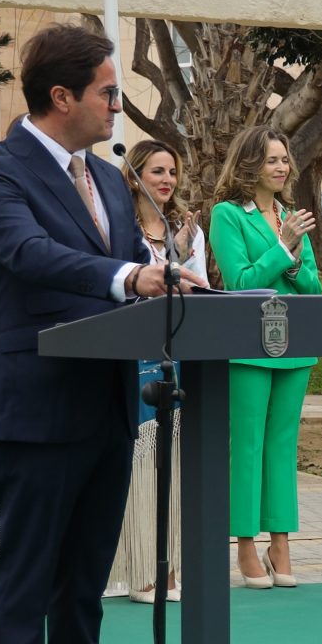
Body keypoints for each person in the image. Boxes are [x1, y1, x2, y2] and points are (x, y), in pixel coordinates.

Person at [0, 24, 186, 644]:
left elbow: (119, 265)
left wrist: (166, 280)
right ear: (62, 97)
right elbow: (27, 257)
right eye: (108, 92)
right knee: (27, 577)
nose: (118, 107)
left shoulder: (104, 175)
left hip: (107, 403)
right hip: (36, 406)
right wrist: (129, 277)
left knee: (85, 580)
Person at [208, 126, 322, 589]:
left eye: (285, 160)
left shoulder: (292, 215)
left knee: (282, 447)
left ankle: (281, 542)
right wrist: (283, 249)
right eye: (273, 160)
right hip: (248, 349)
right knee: (248, 446)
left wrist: (292, 257)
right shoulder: (227, 215)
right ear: (250, 164)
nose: (282, 167)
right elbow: (239, 281)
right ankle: (245, 545)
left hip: (295, 347)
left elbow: (313, 285)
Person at [114, 140, 204, 602]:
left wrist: (184, 255)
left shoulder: (184, 231)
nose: (167, 180)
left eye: (172, 172)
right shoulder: (118, 229)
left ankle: (169, 571)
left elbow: (202, 289)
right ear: (135, 178)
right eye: (156, 172)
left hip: (177, 356)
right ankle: (141, 572)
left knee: (171, 463)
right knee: (142, 461)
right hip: (131, 359)